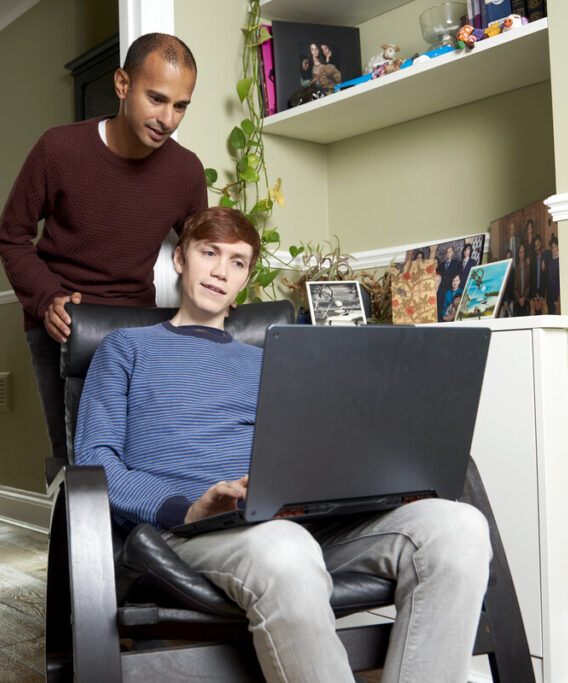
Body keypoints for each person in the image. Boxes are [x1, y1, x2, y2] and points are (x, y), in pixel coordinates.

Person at [75, 206, 492, 682]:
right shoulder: (125, 349)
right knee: (284, 547)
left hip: (303, 522)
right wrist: (186, 510)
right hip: (198, 531)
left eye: (236, 262)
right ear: (180, 260)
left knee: (459, 527)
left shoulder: (273, 360)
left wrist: (381, 473)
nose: (219, 271)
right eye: (208, 253)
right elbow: (94, 463)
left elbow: (321, 446)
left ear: (246, 279)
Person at [0, 33, 207, 468]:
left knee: (139, 458)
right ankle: (72, 536)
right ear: (123, 84)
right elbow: (11, 236)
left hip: (138, 329)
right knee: (76, 463)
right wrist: (47, 298)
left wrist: (217, 287)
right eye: (157, 98)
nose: (167, 118)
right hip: (61, 325)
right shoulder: (58, 149)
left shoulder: (187, 171)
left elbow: (198, 248)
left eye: (180, 106)